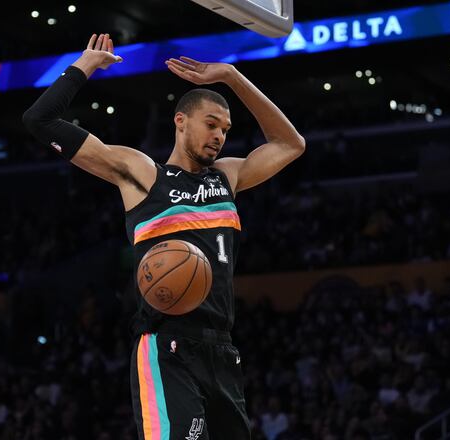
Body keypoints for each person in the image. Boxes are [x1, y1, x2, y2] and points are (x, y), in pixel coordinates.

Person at [23, 34, 305, 439]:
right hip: (168, 344)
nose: (219, 136)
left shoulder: (228, 176)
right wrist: (85, 65)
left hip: (222, 348)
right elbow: (39, 121)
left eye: (225, 129)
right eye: (211, 124)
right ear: (181, 121)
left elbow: (290, 144)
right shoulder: (142, 174)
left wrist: (232, 76)